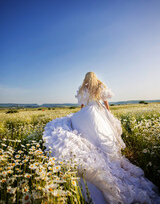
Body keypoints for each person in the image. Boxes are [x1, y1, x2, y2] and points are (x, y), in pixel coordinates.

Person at [43, 72, 160, 204]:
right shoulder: (100, 85)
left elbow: (82, 104)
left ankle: (95, 151)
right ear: (95, 77)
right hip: (97, 112)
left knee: (86, 134)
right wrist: (108, 113)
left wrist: (81, 114)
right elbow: (105, 102)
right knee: (102, 134)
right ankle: (107, 157)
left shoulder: (83, 88)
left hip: (86, 113)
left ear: (86, 78)